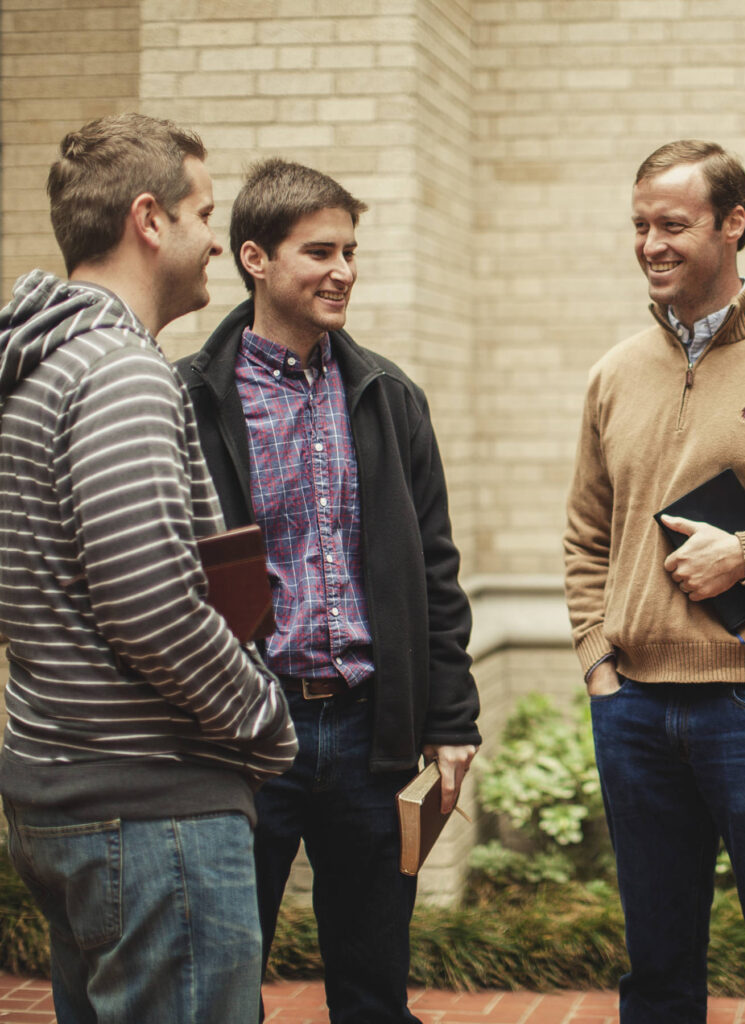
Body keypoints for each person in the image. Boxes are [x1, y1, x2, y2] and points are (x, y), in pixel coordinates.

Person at [0, 113, 298, 1024]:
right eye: (204, 213)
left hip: (70, 793)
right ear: (148, 219)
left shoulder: (40, 366)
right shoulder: (121, 373)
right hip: (152, 812)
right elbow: (150, 605)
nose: (218, 238)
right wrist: (264, 718)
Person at [176, 158, 481, 1024]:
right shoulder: (189, 399)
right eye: (320, 252)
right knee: (223, 987)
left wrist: (451, 719)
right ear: (253, 258)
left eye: (352, 250)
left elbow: (434, 569)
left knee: (374, 991)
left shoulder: (388, 397)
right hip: (244, 732)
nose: (344, 270)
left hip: (367, 732)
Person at [563, 139, 745, 1023]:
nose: (651, 242)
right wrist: (599, 667)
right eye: (641, 225)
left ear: (734, 225)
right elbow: (584, 536)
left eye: (673, 224)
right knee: (656, 979)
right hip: (636, 710)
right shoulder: (614, 372)